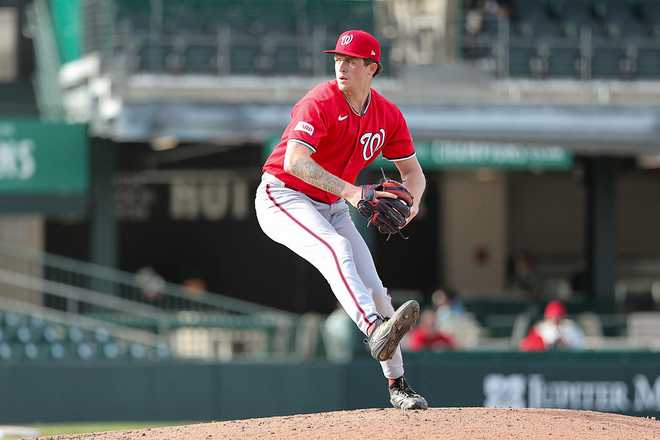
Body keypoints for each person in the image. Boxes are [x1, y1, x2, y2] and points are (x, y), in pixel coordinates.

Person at [255, 29, 428, 410]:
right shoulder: (319, 101)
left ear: (372, 67)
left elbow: (413, 174)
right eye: (337, 59)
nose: (341, 66)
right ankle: (371, 329)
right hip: (283, 195)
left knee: (378, 290)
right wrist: (354, 193)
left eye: (351, 60)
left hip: (331, 205)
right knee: (335, 248)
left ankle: (398, 386)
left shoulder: (387, 115)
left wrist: (411, 203)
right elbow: (294, 162)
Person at [519, 300, 586, 351]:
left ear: (563, 316)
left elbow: (581, 347)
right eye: (552, 317)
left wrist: (566, 345)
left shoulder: (571, 328)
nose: (555, 319)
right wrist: (544, 345)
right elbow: (526, 346)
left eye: (558, 317)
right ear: (547, 316)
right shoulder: (541, 328)